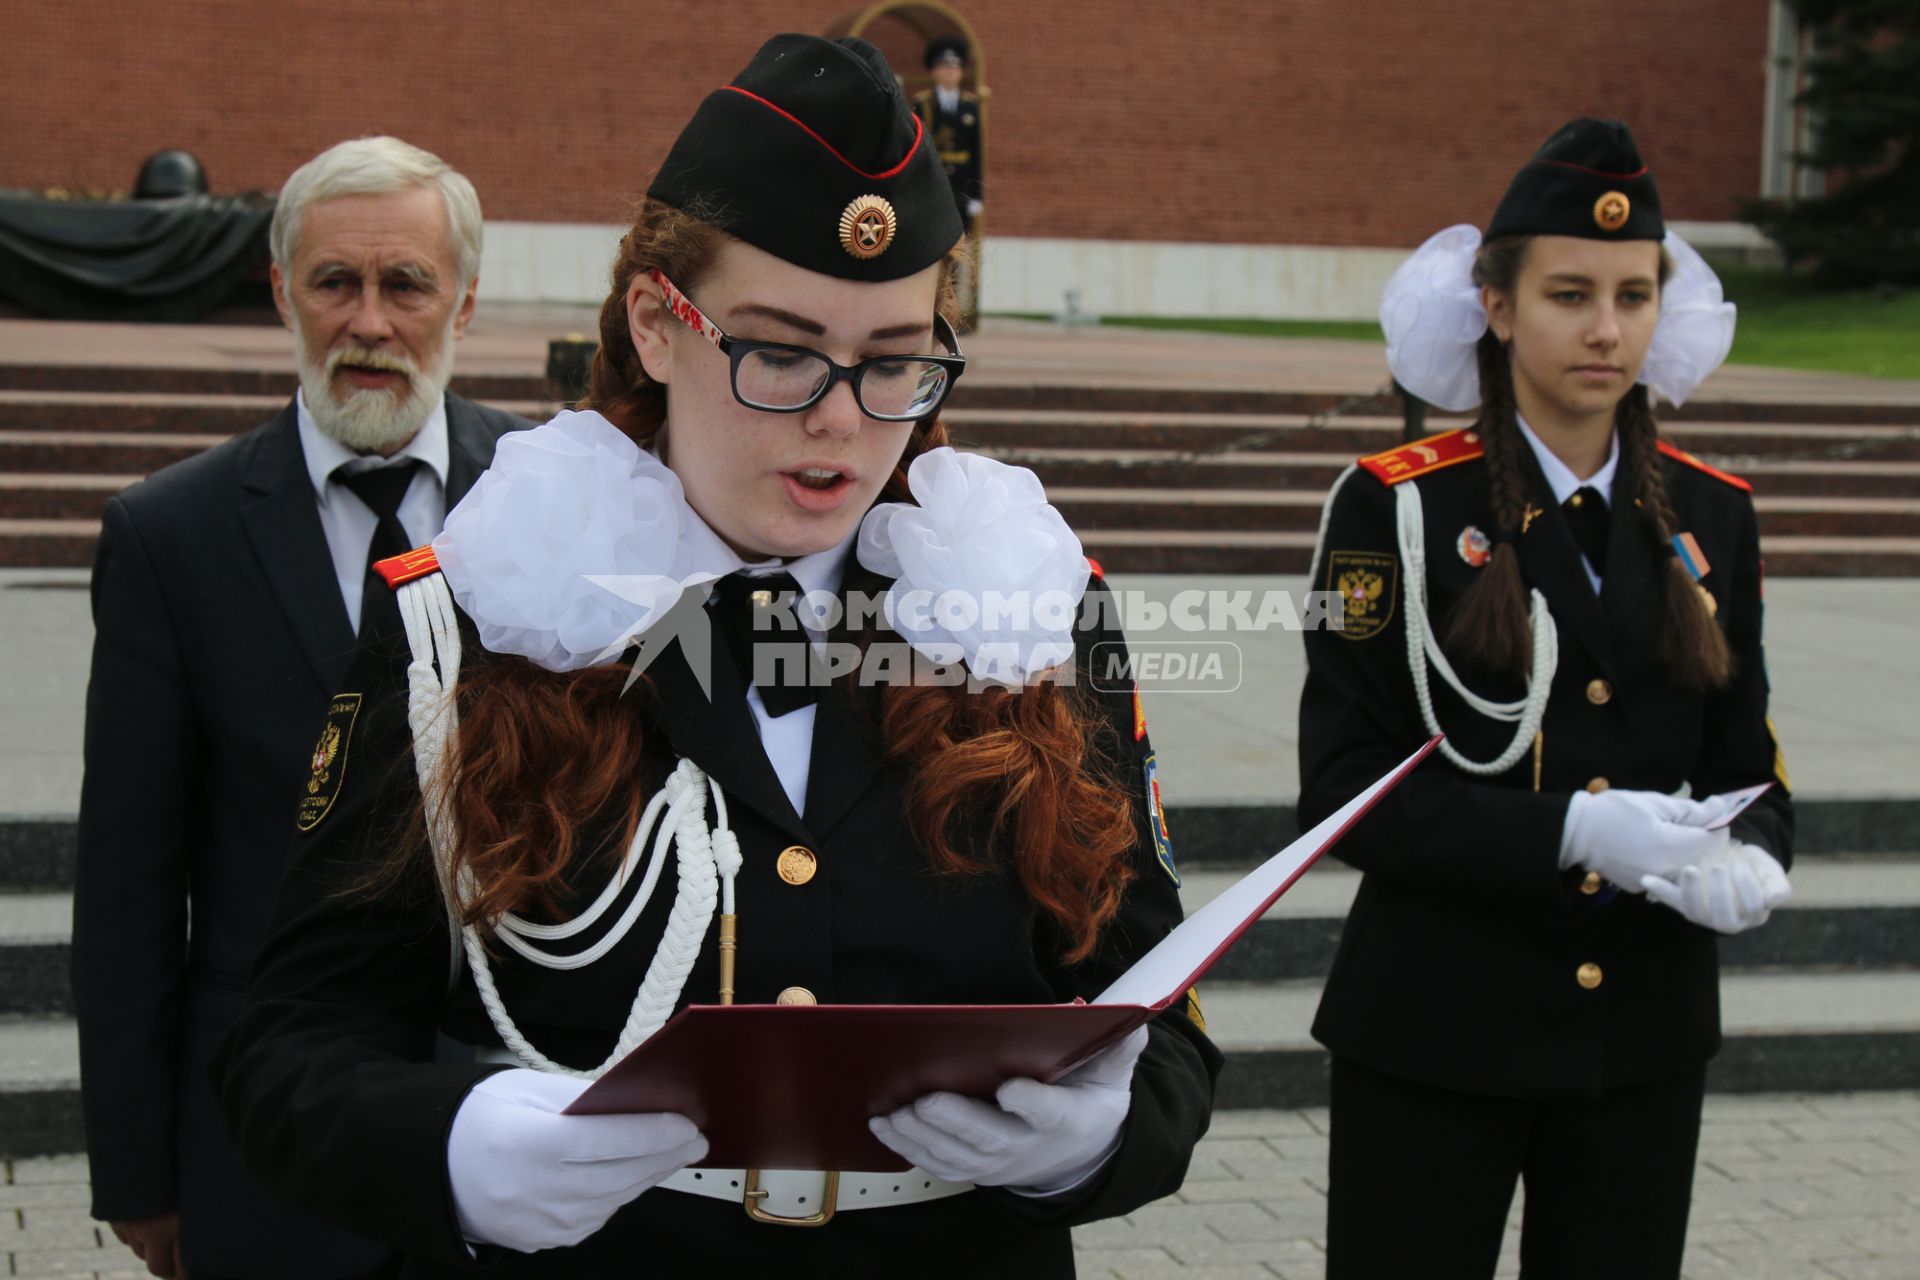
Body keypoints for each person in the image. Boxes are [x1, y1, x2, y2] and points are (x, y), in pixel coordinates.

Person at [212, 34, 1218, 1278]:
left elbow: (1158, 1004)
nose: (842, 418)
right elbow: (292, 1045)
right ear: (654, 324)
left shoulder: (1027, 609)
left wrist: (1096, 1138)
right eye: (780, 350)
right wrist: (456, 1148)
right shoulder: (473, 615)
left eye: (894, 357)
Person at [1298, 118, 1795, 1279]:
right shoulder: (1392, 510)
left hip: (1641, 1033)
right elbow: (1339, 790)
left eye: (1635, 294)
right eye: (1571, 292)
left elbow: (1748, 756)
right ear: (1499, 306)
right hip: (1435, 1028)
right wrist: (1570, 829)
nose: (1607, 328)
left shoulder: (1714, 514)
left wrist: (1759, 851)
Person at [71, 136, 530, 1280]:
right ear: (284, 293)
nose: (368, 322)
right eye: (334, 282)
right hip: (266, 1151)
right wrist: (138, 1169)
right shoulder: (167, 537)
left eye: (405, 284)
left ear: (463, 302)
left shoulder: (556, 502)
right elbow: (127, 888)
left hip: (523, 1127)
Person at [912, 37, 984, 234]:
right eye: (945, 67)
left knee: (960, 238)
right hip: (933, 179)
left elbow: (977, 152)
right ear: (934, 71)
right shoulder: (923, 103)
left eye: (955, 67)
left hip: (962, 182)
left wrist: (977, 195)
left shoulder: (971, 106)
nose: (951, 72)